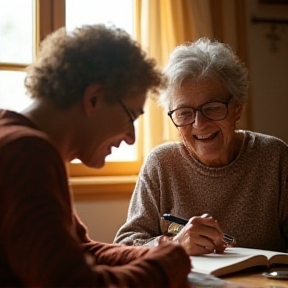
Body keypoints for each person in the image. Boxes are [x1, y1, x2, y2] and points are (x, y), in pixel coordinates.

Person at [0, 24, 191, 288]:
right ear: (94, 98)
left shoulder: (18, 141)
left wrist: (151, 253)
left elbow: (80, 251)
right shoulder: (27, 152)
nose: (131, 138)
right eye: (131, 117)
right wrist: (163, 266)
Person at [114, 37, 288, 256]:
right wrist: (176, 243)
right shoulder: (162, 163)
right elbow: (125, 246)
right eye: (184, 113)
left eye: (213, 108)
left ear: (237, 109)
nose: (199, 124)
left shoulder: (274, 157)